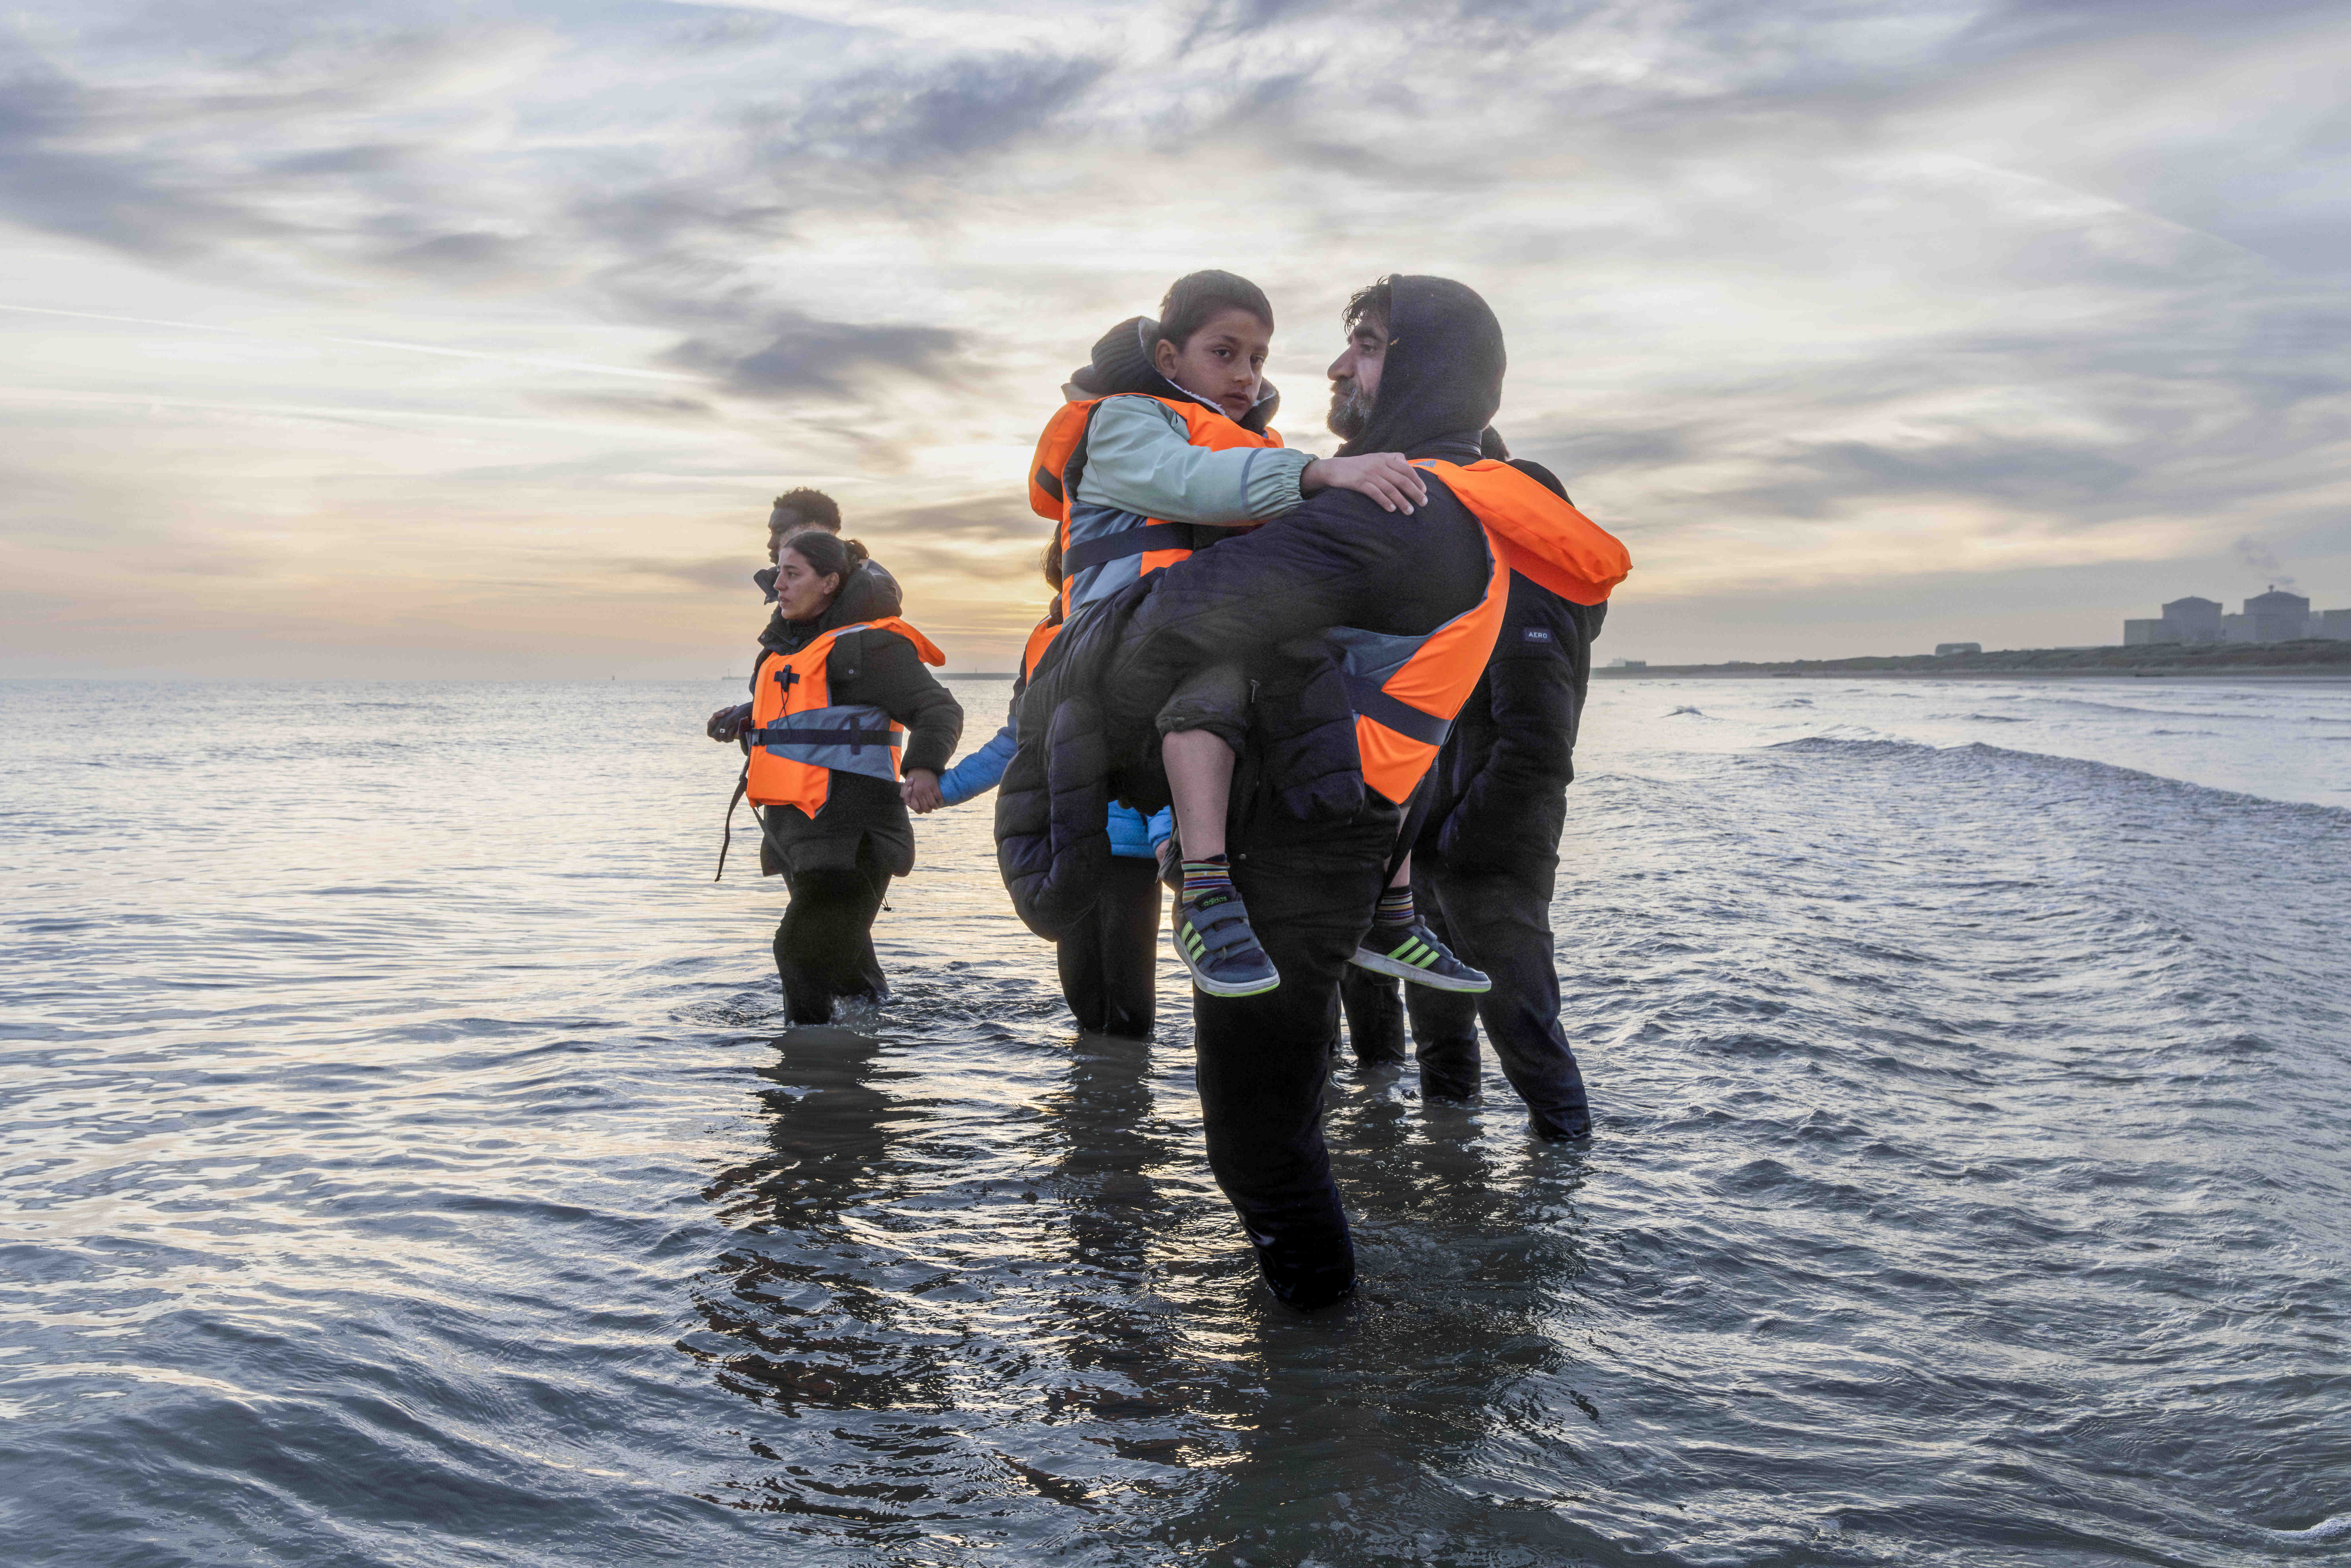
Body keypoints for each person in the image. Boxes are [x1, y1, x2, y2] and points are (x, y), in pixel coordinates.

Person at [999, 275, 1630, 1308]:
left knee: (1263, 1149)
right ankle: (1371, 1359)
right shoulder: (1445, 496)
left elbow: (1163, 633)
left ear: (1427, 367)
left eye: (1369, 346)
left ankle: (1318, 1395)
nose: (1335, 367)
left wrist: (1060, 684)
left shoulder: (1400, 509)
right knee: (1283, 1132)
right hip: (1342, 828)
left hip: (1298, 847)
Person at [1027, 271, 1481, 1000]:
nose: (1245, 375)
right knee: (1217, 667)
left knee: (1374, 694)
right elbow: (1187, 479)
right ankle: (1203, 889)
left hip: (1199, 616)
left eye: (1259, 358)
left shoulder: (1254, 445)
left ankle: (1388, 910)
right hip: (1118, 640)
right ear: (1170, 360)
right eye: (1224, 353)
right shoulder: (1124, 422)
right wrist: (1322, 472)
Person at [1338, 436, 1611, 1138]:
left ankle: (1561, 1181)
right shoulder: (1474, 588)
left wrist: (1458, 839)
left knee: (1525, 1031)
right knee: (1442, 1036)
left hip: (1493, 856)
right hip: (1439, 846)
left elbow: (1537, 745)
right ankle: (1451, 1173)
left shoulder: (1533, 593)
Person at [915, 540, 1173, 1037]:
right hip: (1059, 838)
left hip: (1134, 845)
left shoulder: (1145, 627)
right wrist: (943, 789)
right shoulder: (1043, 639)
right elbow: (1018, 741)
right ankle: (1091, 1103)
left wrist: (1167, 830)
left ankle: (1126, 1100)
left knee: (1129, 1005)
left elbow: (1162, 740)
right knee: (1082, 996)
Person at [715, 529, 962, 1024]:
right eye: (777, 573)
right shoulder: (787, 650)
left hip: (855, 842)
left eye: (792, 574)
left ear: (830, 582)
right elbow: (813, 716)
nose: (777, 586)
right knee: (846, 966)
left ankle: (804, 1076)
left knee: (799, 952)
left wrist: (922, 767)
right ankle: (870, 1055)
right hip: (798, 837)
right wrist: (748, 716)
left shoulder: (869, 647)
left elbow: (939, 709)